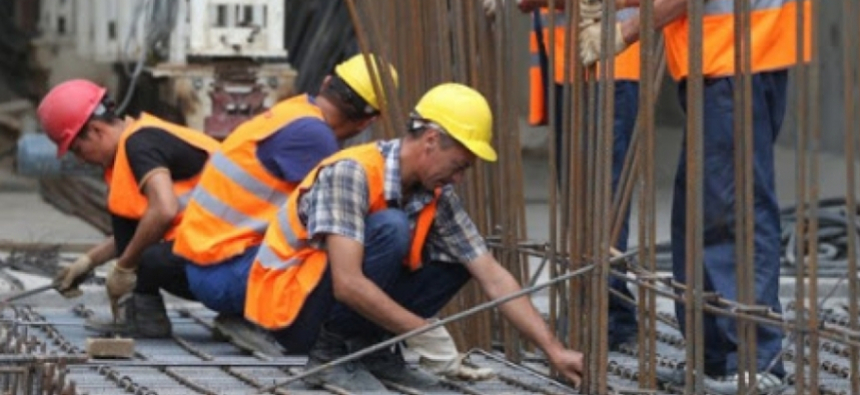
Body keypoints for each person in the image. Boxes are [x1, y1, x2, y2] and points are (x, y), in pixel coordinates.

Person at [584, 0, 811, 394]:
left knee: (733, 214)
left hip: (740, 71)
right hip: (714, 74)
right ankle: (713, 357)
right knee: (696, 217)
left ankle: (757, 362)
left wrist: (624, 34)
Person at [244, 83, 583, 393]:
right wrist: (422, 331)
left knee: (458, 262)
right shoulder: (352, 173)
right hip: (291, 311)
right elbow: (347, 283)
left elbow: (493, 276)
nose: (460, 178)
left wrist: (554, 350)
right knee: (392, 228)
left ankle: (370, 350)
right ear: (432, 140)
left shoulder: (436, 192)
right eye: (460, 165)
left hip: (330, 299)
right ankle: (329, 356)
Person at [480, 0, 642, 349]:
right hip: (570, 78)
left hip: (611, 74)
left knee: (604, 202)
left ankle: (613, 321)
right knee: (578, 205)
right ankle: (594, 312)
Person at [172, 54, 396, 353]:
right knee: (351, 247)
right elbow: (342, 224)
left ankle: (247, 316)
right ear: (368, 121)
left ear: (327, 82)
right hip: (226, 274)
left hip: (210, 265)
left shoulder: (295, 111)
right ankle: (272, 323)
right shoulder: (315, 138)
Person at [39, 79, 220, 337]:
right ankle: (146, 316)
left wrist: (124, 266)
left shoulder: (140, 144)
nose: (81, 159)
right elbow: (142, 226)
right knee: (134, 235)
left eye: (78, 149)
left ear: (96, 130)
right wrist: (88, 261)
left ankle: (149, 314)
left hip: (230, 255)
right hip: (216, 245)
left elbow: (164, 210)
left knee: (144, 255)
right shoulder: (135, 143)